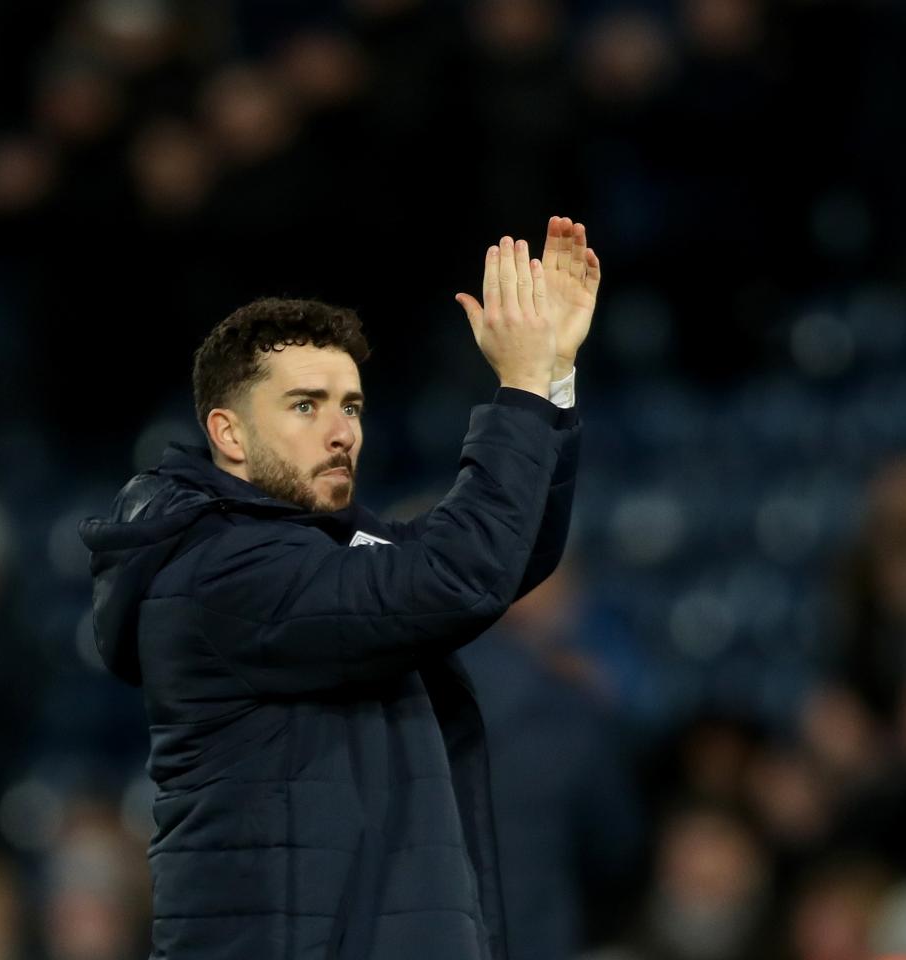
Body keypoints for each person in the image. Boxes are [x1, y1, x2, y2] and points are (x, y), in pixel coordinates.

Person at [79, 217, 600, 960]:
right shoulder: (219, 571)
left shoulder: (323, 551)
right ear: (228, 434)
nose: (341, 431)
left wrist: (550, 377)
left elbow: (505, 560)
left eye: (351, 406)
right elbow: (458, 576)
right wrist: (517, 390)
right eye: (305, 405)